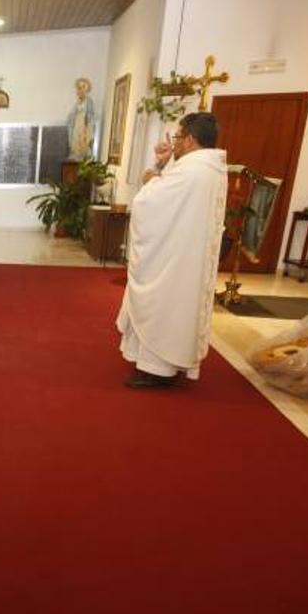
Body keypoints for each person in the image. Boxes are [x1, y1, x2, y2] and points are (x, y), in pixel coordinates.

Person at [117, 112, 228, 389]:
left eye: (178, 137)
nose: (175, 142)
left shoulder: (193, 170)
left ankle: (157, 370)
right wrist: (165, 164)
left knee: (165, 307)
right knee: (178, 309)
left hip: (174, 259)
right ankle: (166, 365)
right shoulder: (210, 167)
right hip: (185, 254)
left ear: (190, 139)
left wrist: (150, 179)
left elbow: (152, 204)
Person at [67, 77, 98, 161]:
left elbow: (90, 116)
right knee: (75, 140)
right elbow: (72, 115)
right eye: (79, 88)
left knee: (83, 141)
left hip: (84, 125)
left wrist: (86, 124)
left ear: (85, 90)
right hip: (77, 125)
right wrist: (71, 118)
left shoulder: (89, 101)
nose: (79, 91)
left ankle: (83, 154)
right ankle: (76, 153)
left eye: (82, 88)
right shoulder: (77, 102)